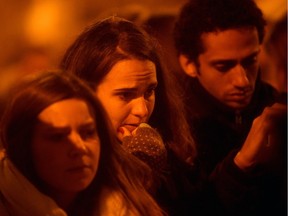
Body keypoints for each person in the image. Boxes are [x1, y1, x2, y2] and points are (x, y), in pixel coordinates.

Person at [60, 17, 203, 215]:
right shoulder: (66, 167)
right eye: (125, 95)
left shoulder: (169, 156)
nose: (142, 110)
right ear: (85, 93)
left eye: (149, 91)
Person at [173, 0, 287, 215]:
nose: (242, 81)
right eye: (223, 66)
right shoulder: (173, 126)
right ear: (188, 63)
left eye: (250, 60)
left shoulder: (277, 107)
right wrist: (240, 165)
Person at [0, 71, 165, 216]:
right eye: (58, 137)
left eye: (88, 132)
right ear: (23, 146)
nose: (79, 147)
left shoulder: (127, 204)